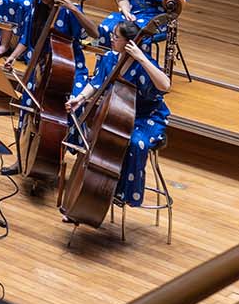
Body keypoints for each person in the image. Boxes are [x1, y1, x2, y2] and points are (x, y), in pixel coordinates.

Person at [66, 20, 172, 208]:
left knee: (135, 143)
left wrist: (141, 58)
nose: (112, 39)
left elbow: (165, 85)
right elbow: (97, 82)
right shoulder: (109, 58)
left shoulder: (144, 64)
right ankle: (90, 196)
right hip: (117, 114)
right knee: (97, 136)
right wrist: (80, 98)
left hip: (146, 117)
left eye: (116, 37)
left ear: (130, 43)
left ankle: (123, 194)